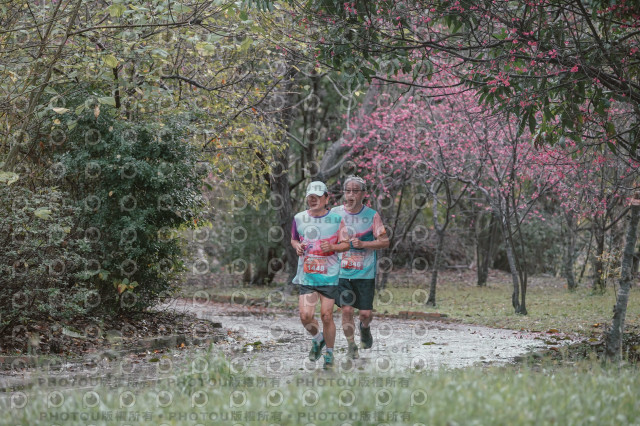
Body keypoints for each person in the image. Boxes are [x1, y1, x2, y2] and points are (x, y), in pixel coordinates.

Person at [291, 181, 349, 368]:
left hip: (329, 276)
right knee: (305, 316)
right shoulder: (299, 218)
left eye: (317, 196)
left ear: (326, 198)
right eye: (310, 196)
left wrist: (332, 247)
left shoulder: (336, 220)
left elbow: (346, 244)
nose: (313, 199)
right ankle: (318, 338)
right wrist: (297, 247)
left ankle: (329, 355)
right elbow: (294, 239)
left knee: (326, 316)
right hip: (307, 275)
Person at [332, 176, 389, 359]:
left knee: (365, 314)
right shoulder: (334, 214)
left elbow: (384, 241)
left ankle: (365, 328)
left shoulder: (372, 215)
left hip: (365, 273)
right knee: (347, 310)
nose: (351, 194)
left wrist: (364, 244)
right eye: (348, 191)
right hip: (342, 273)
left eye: (355, 191)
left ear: (364, 194)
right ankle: (351, 346)